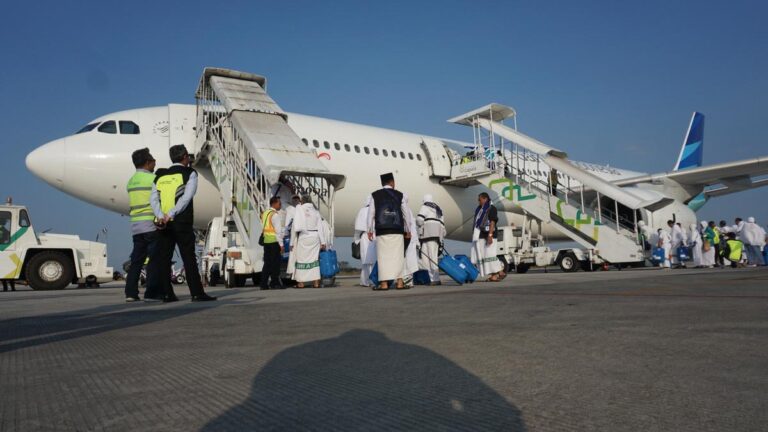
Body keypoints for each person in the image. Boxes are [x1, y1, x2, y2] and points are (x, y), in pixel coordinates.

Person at [149, 144, 217, 302]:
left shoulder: (160, 175)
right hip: (181, 221)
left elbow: (153, 198)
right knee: (188, 257)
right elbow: (186, 198)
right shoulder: (189, 173)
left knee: (164, 259)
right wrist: (171, 214)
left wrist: (160, 216)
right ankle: (196, 293)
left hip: (162, 223)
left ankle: (167, 294)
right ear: (185, 156)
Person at [124, 148, 158, 302]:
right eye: (153, 161)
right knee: (154, 260)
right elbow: (157, 201)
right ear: (147, 163)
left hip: (136, 226)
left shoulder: (131, 181)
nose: (155, 164)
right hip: (150, 224)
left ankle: (131, 293)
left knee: (137, 261)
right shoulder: (152, 179)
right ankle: (151, 292)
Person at [367, 173, 411, 290]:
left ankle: (384, 284)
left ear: (382, 183)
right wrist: (408, 229)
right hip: (397, 229)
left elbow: (371, 213)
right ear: (392, 182)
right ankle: (400, 282)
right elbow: (406, 213)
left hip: (382, 230)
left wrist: (369, 229)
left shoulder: (375, 195)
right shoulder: (400, 195)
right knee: (398, 257)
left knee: (383, 257)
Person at [290, 195, 326, 288]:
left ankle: (301, 283)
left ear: (302, 201)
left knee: (301, 260)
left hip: (304, 236)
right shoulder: (316, 212)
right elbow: (320, 228)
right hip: (315, 237)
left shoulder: (299, 209)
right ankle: (316, 283)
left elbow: (295, 226)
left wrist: (291, 242)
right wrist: (323, 242)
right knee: (314, 260)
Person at [471, 192, 506, 281]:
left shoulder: (491, 208)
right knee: (485, 257)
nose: (478, 201)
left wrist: (490, 235)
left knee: (490, 255)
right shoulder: (479, 209)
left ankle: (501, 271)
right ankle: (494, 276)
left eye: (480, 199)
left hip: (489, 234)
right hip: (481, 235)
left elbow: (492, 222)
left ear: (485, 199)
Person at [416, 194, 445, 285]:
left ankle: (435, 279)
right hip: (436, 237)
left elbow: (419, 220)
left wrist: (417, 225)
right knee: (433, 257)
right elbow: (442, 226)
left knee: (426, 259)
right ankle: (433, 279)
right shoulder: (439, 209)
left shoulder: (425, 206)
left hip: (427, 236)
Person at [260, 196, 284, 290]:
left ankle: (263, 284)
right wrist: (281, 245)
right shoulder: (275, 215)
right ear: (274, 203)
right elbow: (278, 231)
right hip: (274, 241)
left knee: (267, 264)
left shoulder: (265, 213)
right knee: (275, 264)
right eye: (279, 203)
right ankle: (274, 283)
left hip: (266, 241)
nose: (280, 205)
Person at [354, 197, 374, 287]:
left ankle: (364, 281)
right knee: (373, 260)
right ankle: (373, 280)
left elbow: (357, 228)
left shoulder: (362, 211)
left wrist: (356, 240)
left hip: (364, 237)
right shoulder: (376, 209)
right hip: (374, 236)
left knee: (365, 260)